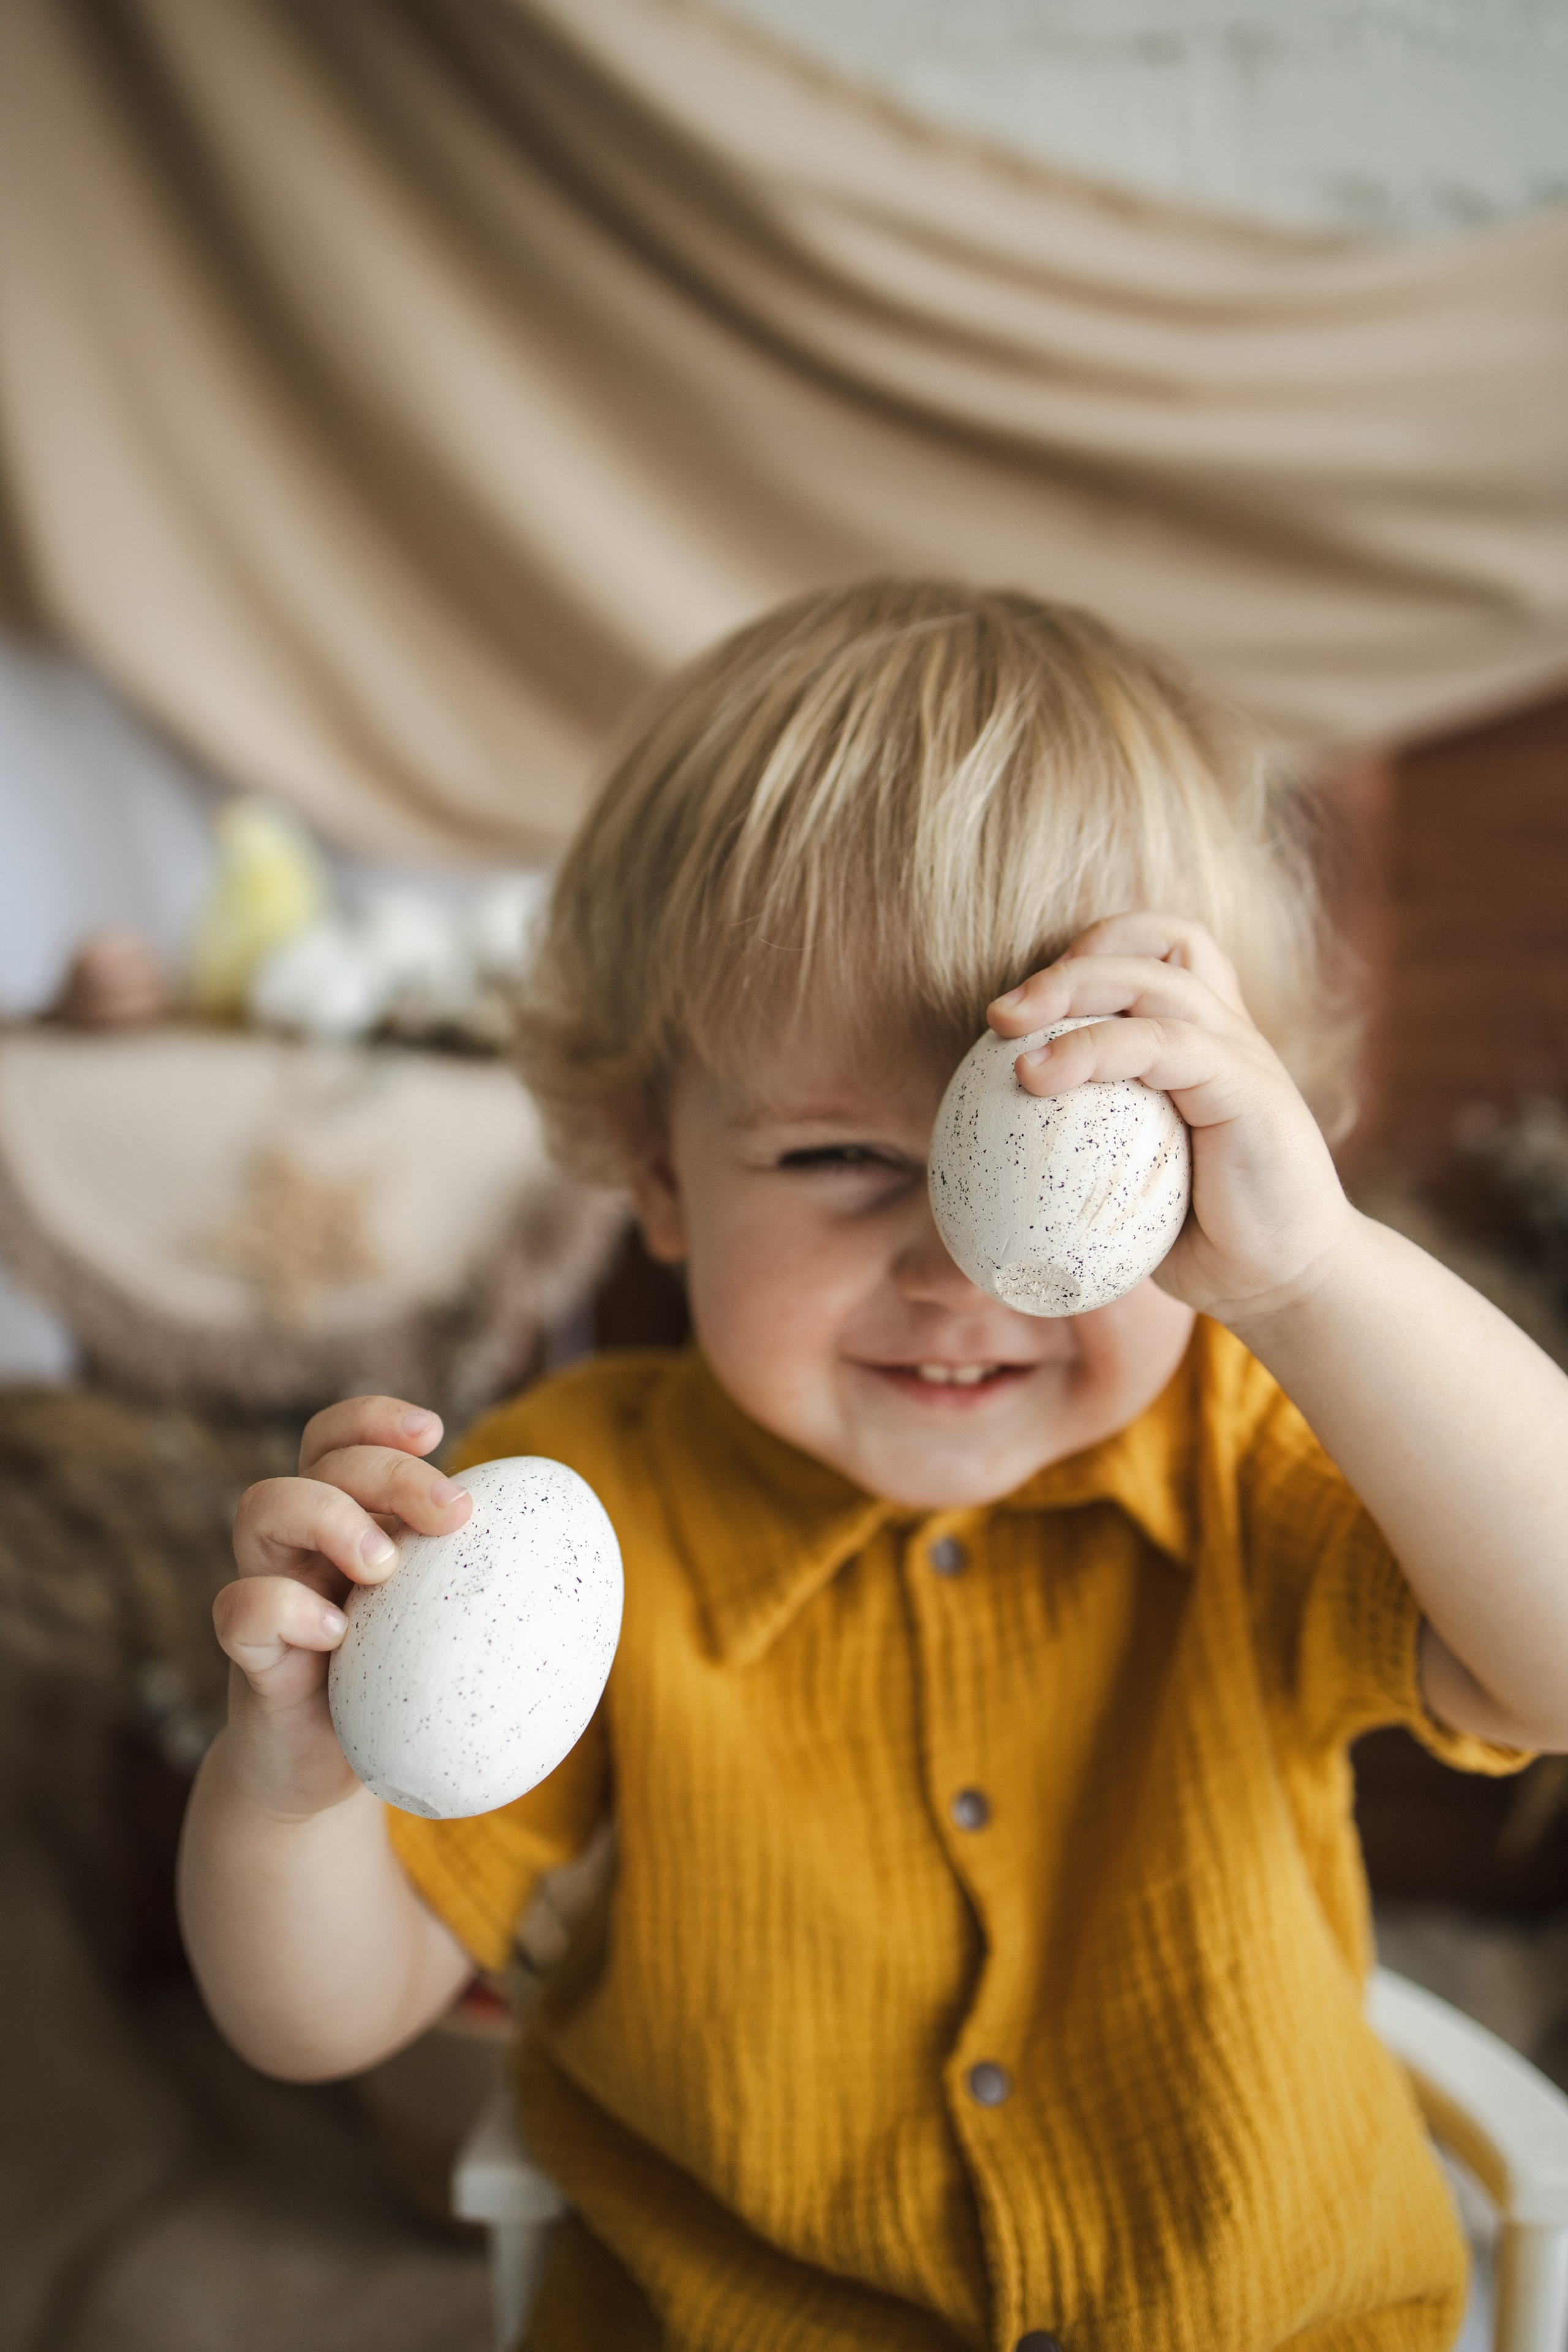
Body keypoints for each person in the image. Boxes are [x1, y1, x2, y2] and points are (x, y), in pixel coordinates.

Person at [178, 581, 1568, 2352]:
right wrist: (298, 1787)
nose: (961, 1268)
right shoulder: (575, 1508)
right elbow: (323, 2019)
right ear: (656, 1172)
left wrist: (1314, 1280)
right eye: (839, 1157)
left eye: (1077, 1150)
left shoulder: (1255, 1442)